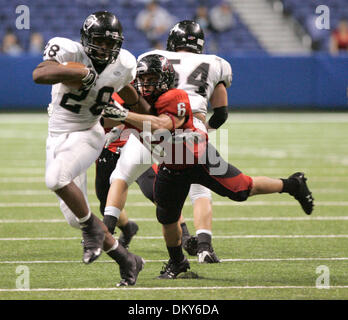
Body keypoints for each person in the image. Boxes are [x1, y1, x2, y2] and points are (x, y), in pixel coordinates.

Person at [102, 53, 314, 279]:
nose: (146, 84)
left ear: (165, 78)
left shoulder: (175, 96)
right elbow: (106, 121)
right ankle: (177, 262)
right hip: (170, 165)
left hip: (199, 159)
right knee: (167, 217)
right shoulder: (132, 101)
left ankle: (293, 184)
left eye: (152, 78)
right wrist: (103, 114)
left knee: (243, 189)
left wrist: (123, 115)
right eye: (142, 79)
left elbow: (161, 124)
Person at [100, 20, 231, 264]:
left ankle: (105, 232)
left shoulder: (153, 55)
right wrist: (204, 129)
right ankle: (204, 247)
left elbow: (136, 95)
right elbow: (221, 113)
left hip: (155, 124)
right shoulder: (216, 63)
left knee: (121, 175)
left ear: (172, 41)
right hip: (192, 125)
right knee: (199, 188)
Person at [32, 11, 145, 286]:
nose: (105, 48)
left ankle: (90, 232)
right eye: (99, 41)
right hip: (58, 136)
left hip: (88, 133)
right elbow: (40, 73)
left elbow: (130, 93)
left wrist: (145, 116)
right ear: (86, 39)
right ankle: (126, 259)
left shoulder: (125, 63)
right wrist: (79, 72)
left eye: (110, 43)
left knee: (55, 179)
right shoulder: (70, 50)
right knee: (74, 215)